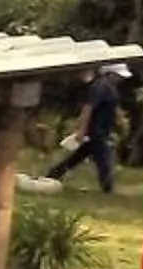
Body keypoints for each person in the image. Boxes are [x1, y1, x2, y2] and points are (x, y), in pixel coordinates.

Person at [46, 64, 129, 193]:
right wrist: (82, 130)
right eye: (119, 76)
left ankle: (52, 175)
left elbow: (112, 107)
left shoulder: (111, 88)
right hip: (96, 130)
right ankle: (108, 189)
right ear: (110, 74)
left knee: (77, 158)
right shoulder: (100, 87)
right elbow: (88, 108)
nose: (121, 79)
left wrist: (120, 121)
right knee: (104, 160)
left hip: (102, 130)